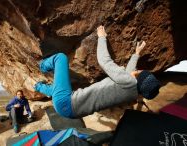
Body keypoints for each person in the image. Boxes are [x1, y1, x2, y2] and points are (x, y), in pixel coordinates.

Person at [33, 25, 161, 118]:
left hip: (65, 102)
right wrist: (136, 54)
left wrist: (101, 37)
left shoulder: (127, 81)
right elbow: (129, 74)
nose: (137, 71)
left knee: (60, 58)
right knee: (56, 90)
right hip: (70, 111)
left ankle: (42, 66)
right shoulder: (132, 93)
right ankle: (38, 86)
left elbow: (105, 61)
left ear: (138, 77)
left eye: (139, 72)